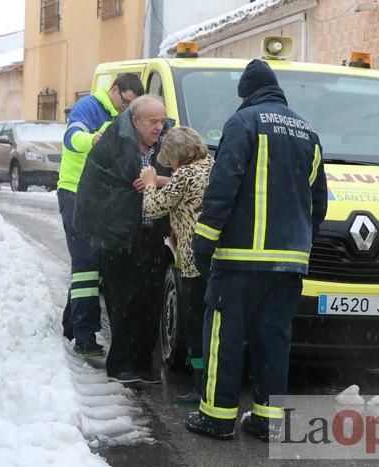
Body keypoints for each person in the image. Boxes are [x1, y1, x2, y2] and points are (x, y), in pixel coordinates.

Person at [185, 59, 328, 441]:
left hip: (239, 262)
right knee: (274, 340)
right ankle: (267, 420)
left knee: (224, 336)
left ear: (245, 93)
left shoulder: (242, 123)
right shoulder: (307, 132)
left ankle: (216, 417)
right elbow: (319, 204)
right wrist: (299, 245)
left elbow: (222, 192)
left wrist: (203, 244)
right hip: (288, 265)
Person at [73, 95, 174, 383]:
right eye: (153, 121)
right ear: (135, 121)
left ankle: (144, 364)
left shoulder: (166, 147)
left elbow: (181, 179)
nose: (159, 126)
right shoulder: (112, 145)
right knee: (123, 302)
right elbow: (98, 186)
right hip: (119, 238)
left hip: (154, 238)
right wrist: (132, 194)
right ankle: (121, 366)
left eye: (161, 120)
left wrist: (158, 182)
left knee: (150, 301)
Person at [58, 74, 145, 357]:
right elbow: (72, 138)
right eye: (126, 102)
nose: (126, 108)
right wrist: (94, 139)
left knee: (93, 259)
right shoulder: (90, 107)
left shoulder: (125, 115)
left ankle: (71, 324)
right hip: (75, 192)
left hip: (101, 196)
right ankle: (84, 336)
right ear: (114, 90)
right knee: (85, 262)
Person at [139, 126, 213, 402]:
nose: (169, 165)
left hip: (192, 260)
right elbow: (186, 195)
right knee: (213, 324)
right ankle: (213, 384)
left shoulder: (184, 174)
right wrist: (163, 180)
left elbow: (154, 207)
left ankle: (199, 387)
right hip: (216, 256)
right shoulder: (212, 167)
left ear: (179, 155)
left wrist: (149, 182)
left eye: (169, 160)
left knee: (194, 326)